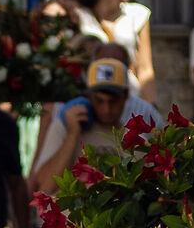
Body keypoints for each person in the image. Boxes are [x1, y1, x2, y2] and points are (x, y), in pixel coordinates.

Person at [28, 52, 163, 192]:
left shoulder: (134, 140)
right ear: (88, 96)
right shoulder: (64, 126)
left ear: (126, 96)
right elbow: (46, 185)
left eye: (113, 101)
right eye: (99, 100)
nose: (106, 109)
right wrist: (73, 134)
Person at [72, 0, 156, 101]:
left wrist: (150, 104)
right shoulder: (79, 16)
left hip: (130, 95)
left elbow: (145, 69)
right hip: (93, 98)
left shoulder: (137, 14)